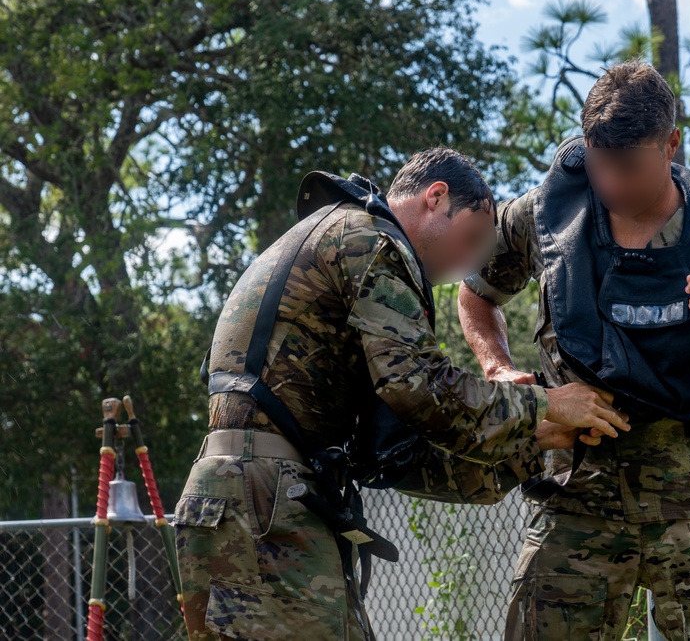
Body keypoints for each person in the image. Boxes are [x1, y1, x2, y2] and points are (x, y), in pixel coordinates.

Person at [173, 147, 630, 640]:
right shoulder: (370, 241)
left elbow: (389, 455)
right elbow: (419, 389)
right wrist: (548, 403)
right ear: (436, 198)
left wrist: (529, 441)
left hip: (238, 497)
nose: (467, 264)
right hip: (265, 503)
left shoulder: (338, 235)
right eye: (471, 239)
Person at [458, 60, 690, 641]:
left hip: (688, 490)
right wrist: (499, 367)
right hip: (575, 486)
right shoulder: (548, 213)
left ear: (671, 144)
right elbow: (475, 293)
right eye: (599, 164)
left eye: (629, 167)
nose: (611, 184)